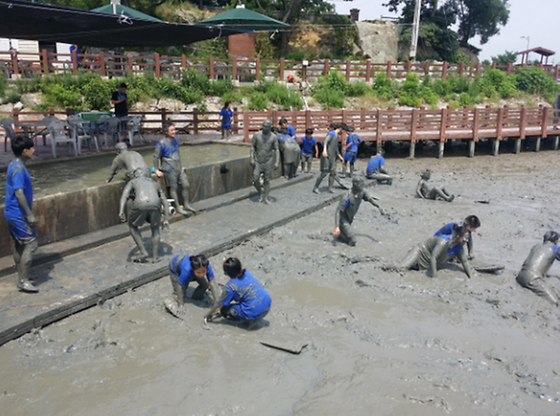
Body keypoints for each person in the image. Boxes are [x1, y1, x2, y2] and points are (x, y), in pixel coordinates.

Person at [4, 136, 38, 293]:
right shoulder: (18, 169)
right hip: (18, 214)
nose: (34, 150)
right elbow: (19, 193)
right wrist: (29, 214)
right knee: (31, 243)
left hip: (11, 212)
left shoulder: (14, 165)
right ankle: (23, 281)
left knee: (19, 243)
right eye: (32, 148)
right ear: (25, 151)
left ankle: (22, 276)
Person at [119, 167, 169, 263]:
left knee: (132, 226)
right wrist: (166, 218)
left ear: (136, 174)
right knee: (155, 228)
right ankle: (155, 257)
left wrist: (121, 210)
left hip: (140, 204)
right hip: (155, 204)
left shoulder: (133, 181)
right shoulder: (154, 183)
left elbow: (124, 196)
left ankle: (143, 251)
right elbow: (164, 201)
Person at [205, 257, 271, 329]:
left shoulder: (230, 287)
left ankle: (247, 322)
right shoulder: (247, 273)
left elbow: (219, 305)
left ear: (226, 272)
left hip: (253, 311)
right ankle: (253, 318)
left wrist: (207, 316)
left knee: (224, 310)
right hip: (267, 304)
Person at [395, 223, 475, 279]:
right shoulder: (443, 241)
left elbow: (465, 262)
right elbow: (434, 257)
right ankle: (384, 267)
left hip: (426, 264)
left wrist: (471, 277)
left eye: (468, 239)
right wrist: (434, 276)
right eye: (465, 238)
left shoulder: (459, 248)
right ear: (458, 236)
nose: (467, 240)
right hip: (420, 252)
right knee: (401, 267)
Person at [153, 122, 196, 216]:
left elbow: (177, 154)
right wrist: (157, 170)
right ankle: (177, 207)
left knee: (186, 185)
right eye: (171, 130)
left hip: (178, 167)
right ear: (166, 132)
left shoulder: (175, 141)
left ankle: (186, 204)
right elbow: (155, 157)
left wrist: (181, 166)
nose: (174, 132)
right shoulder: (161, 144)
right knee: (174, 187)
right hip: (169, 168)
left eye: (174, 129)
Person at [333, 176, 385, 247]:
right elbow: (337, 211)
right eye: (360, 186)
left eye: (362, 186)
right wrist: (336, 227)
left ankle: (341, 236)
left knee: (345, 234)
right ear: (354, 185)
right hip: (344, 221)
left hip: (350, 219)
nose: (362, 187)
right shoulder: (347, 197)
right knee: (353, 240)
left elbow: (370, 200)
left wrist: (379, 207)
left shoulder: (362, 192)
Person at [516, 231, 560, 306]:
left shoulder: (536, 245)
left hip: (520, 275)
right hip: (533, 279)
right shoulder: (554, 248)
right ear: (556, 241)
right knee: (555, 302)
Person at [312, 123, 346, 194]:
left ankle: (329, 188)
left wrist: (339, 156)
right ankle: (315, 187)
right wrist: (324, 150)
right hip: (326, 156)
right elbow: (326, 142)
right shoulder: (331, 134)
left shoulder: (337, 137)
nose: (342, 133)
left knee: (333, 172)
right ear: (340, 129)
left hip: (333, 156)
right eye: (343, 131)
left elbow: (336, 147)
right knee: (324, 173)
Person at [251, 119, 279, 204]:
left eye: (266, 127)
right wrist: (252, 158)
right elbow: (252, 147)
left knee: (267, 180)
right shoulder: (256, 135)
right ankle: (260, 192)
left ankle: (266, 197)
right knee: (255, 179)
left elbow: (277, 149)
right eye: (263, 126)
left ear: (270, 127)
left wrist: (277, 161)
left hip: (268, 161)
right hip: (258, 160)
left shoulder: (273, 137)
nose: (264, 128)